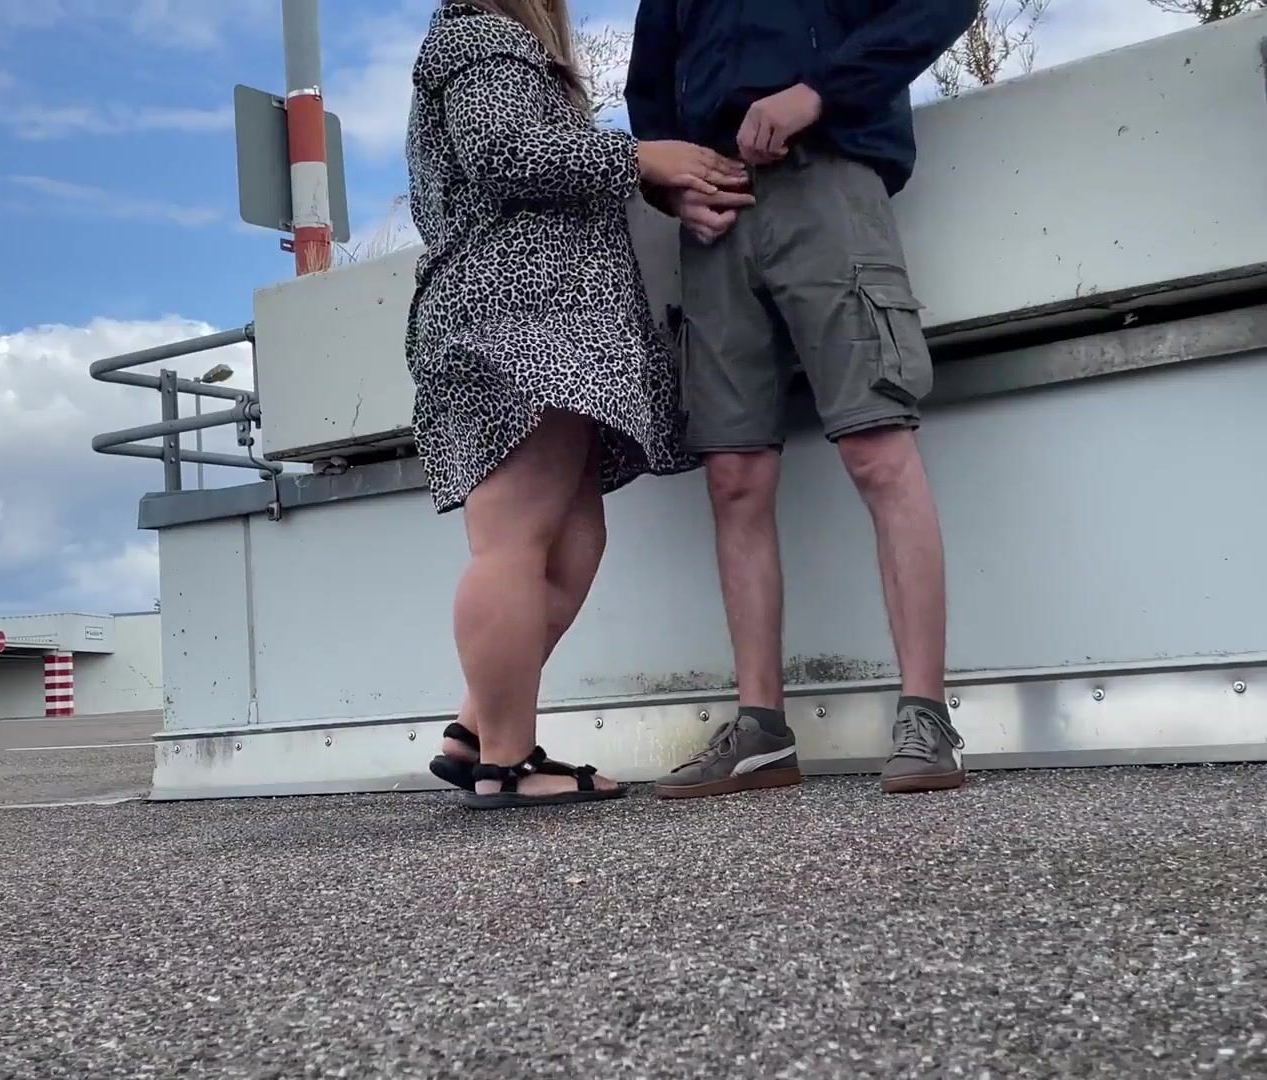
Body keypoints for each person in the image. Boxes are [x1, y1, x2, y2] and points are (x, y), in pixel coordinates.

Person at [623, 0, 979, 799]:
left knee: (876, 445)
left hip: (830, 178)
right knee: (733, 474)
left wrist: (817, 92)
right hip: (716, 213)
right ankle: (761, 733)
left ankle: (927, 717)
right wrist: (672, 192)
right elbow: (649, 91)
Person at [404, 0, 750, 810]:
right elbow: (505, 153)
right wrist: (641, 157)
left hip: (552, 323)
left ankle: (475, 730)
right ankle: (508, 761)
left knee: (570, 547)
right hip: (518, 317)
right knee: (514, 540)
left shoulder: (498, 45)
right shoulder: (479, 34)